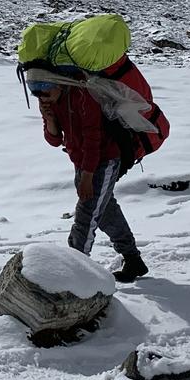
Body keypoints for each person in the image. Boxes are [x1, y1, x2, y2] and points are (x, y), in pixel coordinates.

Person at [31, 77, 149, 283]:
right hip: (81, 161)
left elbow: (93, 139)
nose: (41, 97)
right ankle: (133, 259)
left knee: (86, 217)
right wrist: (49, 118)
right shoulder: (52, 102)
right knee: (104, 212)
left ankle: (75, 274)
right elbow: (54, 140)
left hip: (104, 159)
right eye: (36, 93)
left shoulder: (84, 96)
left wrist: (87, 176)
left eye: (45, 91)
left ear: (58, 84)